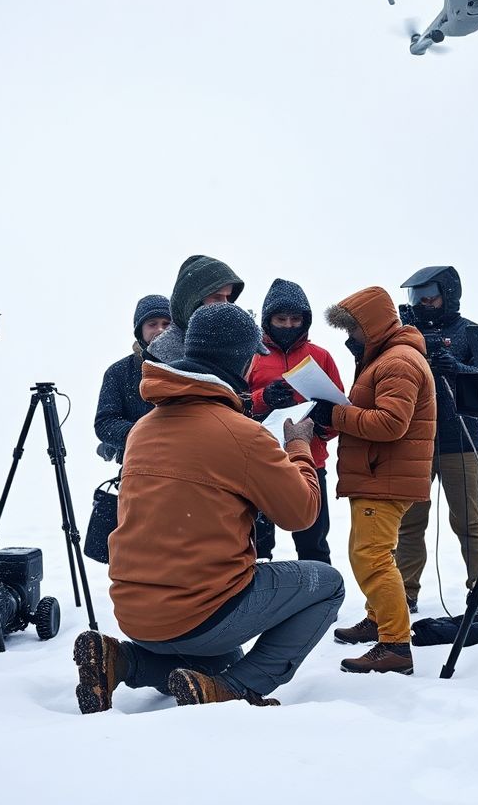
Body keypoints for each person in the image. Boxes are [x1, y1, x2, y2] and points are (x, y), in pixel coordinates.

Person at [72, 302, 345, 710]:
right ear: (244, 360)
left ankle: (122, 660)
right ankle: (236, 689)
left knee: (221, 657)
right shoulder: (242, 434)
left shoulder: (143, 428)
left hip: (134, 610)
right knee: (327, 583)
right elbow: (301, 514)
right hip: (196, 611)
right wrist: (299, 446)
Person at [312, 286, 436, 675]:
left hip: (385, 475)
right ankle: (378, 619)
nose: (350, 338)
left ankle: (395, 645)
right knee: (368, 552)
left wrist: (336, 414)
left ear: (371, 325)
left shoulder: (397, 362)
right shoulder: (385, 357)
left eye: (353, 330)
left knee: (372, 557)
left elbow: (390, 424)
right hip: (378, 473)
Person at [395, 265, 478, 612]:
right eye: (417, 297)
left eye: (431, 296)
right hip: (414, 442)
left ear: (449, 294)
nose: (424, 303)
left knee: (468, 521)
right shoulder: (404, 334)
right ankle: (404, 593)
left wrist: (455, 366)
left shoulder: (469, 331)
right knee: (410, 523)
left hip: (461, 439)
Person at [248, 278, 343, 564]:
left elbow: (340, 411)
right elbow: (232, 404)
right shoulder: (251, 355)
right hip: (260, 461)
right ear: (268, 319)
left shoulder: (321, 357)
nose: (288, 325)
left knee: (313, 542)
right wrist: (264, 398)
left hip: (311, 461)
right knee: (257, 545)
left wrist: (325, 421)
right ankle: (259, 605)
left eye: (295, 319)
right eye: (281, 318)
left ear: (306, 319)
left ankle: (321, 605)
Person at [94, 294, 171, 463]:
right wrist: (143, 435)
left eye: (166, 324)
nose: (160, 329)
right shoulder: (118, 372)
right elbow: (105, 423)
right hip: (137, 466)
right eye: (152, 324)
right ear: (139, 330)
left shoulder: (189, 366)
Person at [145, 254, 244, 365]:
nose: (226, 304)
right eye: (216, 297)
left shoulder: (242, 348)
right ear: (192, 302)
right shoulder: (154, 360)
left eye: (228, 297)